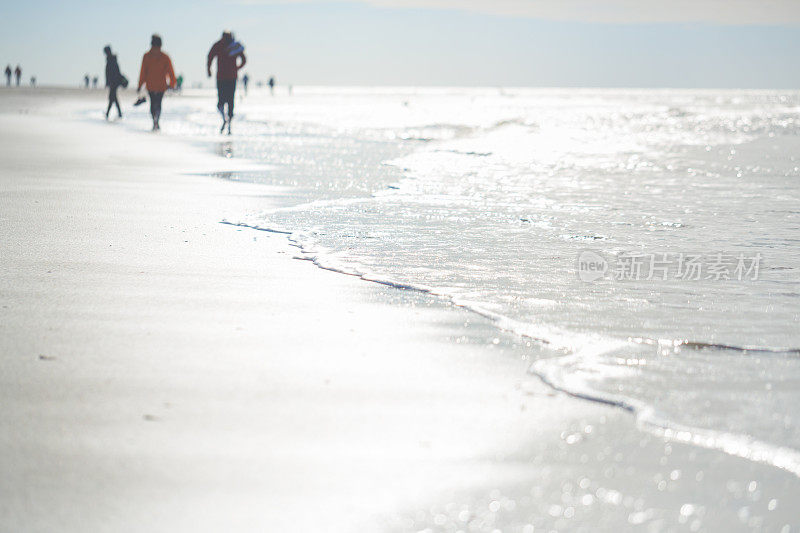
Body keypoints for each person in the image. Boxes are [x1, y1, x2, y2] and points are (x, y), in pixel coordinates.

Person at [207, 30, 246, 134]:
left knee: (226, 101)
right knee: (227, 101)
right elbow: (210, 56)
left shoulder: (232, 45)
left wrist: (209, 69)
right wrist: (237, 68)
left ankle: (228, 121)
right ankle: (227, 120)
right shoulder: (224, 45)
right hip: (226, 77)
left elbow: (243, 59)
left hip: (226, 78)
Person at [138, 33, 176, 131]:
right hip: (161, 86)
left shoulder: (147, 56)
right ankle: (156, 120)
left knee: (153, 103)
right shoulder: (164, 57)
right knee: (158, 103)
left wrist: (140, 85)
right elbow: (171, 72)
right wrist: (172, 84)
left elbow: (143, 72)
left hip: (151, 85)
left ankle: (154, 120)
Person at [104, 45, 123, 120]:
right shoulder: (111, 59)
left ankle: (108, 113)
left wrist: (109, 82)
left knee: (112, 98)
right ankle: (117, 113)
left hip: (114, 82)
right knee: (113, 98)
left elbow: (111, 73)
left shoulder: (111, 60)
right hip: (114, 82)